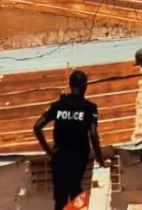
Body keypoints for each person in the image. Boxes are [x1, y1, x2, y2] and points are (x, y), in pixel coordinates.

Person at [35, 69, 105, 210]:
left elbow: (37, 127)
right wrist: (100, 159)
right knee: (75, 193)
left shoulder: (58, 105)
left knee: (60, 199)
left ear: (70, 84)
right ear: (85, 86)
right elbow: (93, 134)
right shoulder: (89, 108)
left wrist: (49, 152)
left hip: (59, 157)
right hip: (78, 158)